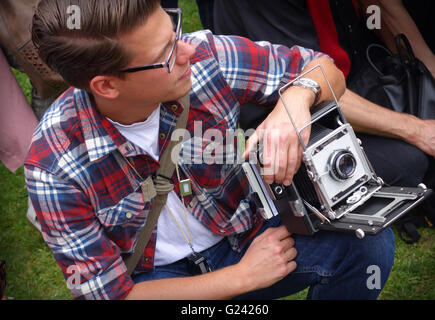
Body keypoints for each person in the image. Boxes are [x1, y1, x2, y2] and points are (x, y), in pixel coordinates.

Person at [25, 0, 394, 300]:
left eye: (175, 31)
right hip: (159, 282)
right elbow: (109, 296)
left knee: (369, 242)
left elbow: (325, 69)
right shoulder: (52, 165)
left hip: (245, 229)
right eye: (166, 53)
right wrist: (241, 278)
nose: (186, 50)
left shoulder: (204, 56)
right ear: (106, 85)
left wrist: (295, 101)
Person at [213, 0, 435, 228]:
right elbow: (307, 83)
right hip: (297, 118)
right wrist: (417, 130)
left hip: (347, 81)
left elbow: (374, 14)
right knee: (409, 162)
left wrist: (432, 71)